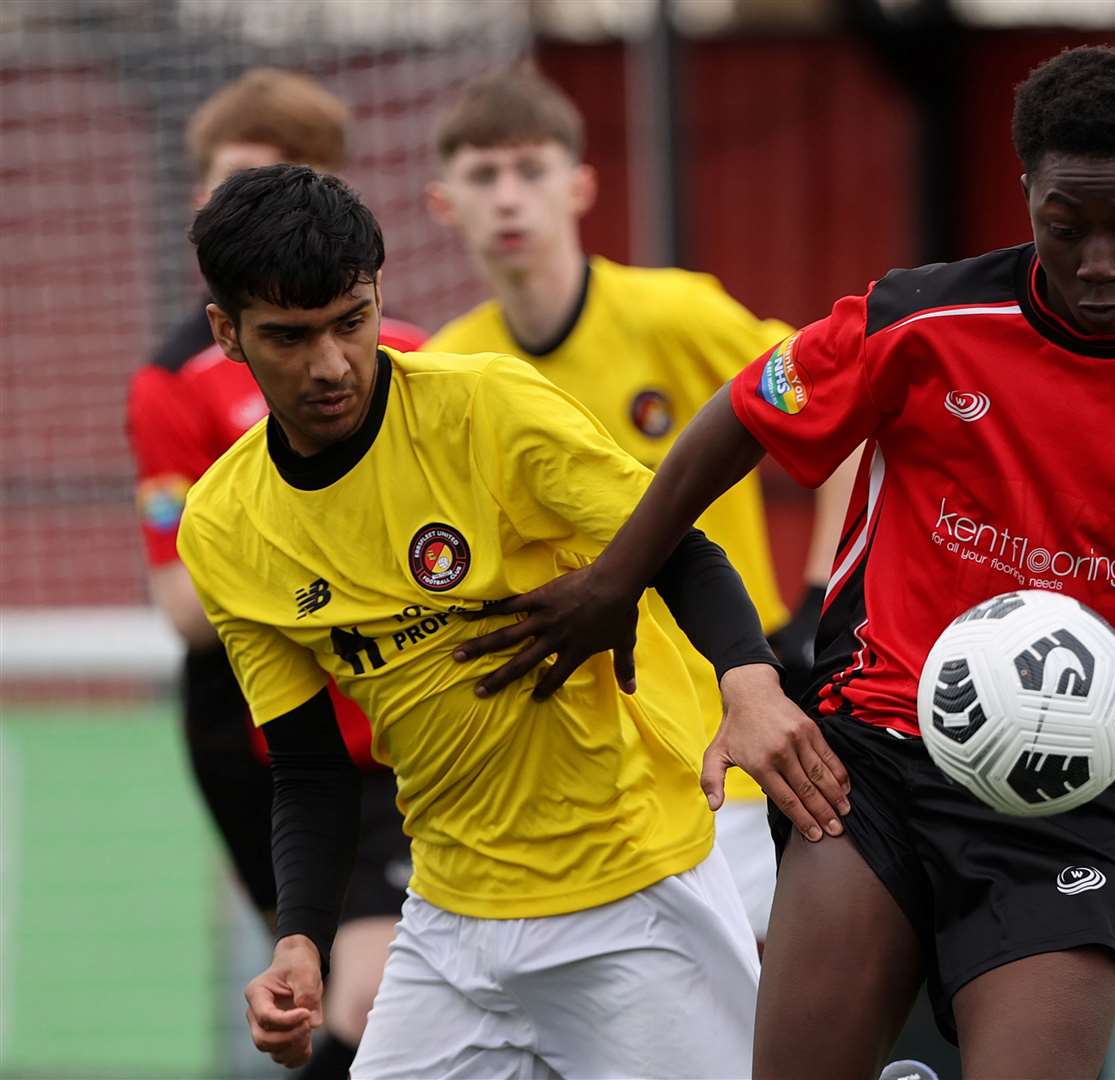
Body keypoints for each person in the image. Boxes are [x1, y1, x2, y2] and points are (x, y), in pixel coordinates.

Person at [452, 46, 1115, 1078]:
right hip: (868, 764)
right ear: (1027, 197)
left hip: (1071, 806)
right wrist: (611, 582)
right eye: (1066, 225)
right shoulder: (921, 321)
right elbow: (736, 416)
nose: (1097, 261)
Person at [176, 164, 829, 1077]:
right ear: (227, 333)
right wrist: (300, 940)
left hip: (632, 896)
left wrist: (751, 681)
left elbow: (675, 544)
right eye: (288, 337)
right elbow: (310, 764)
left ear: (376, 298)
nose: (330, 365)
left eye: (350, 322)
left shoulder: (486, 408)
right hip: (448, 926)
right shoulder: (223, 525)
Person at [421, 64, 856, 941]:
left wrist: (817, 607)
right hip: (577, 785)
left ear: (580, 185)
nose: (509, 198)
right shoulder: (447, 372)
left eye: (530, 170)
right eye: (482, 176)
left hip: (726, 748)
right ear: (443, 204)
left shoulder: (676, 316)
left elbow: (841, 414)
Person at [124, 68, 423, 1079]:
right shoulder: (175, 383)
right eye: (222, 185)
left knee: (378, 990)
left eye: (272, 179)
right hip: (256, 727)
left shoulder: (416, 365)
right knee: (321, 990)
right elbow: (182, 604)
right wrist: (312, 569)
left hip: (402, 710)